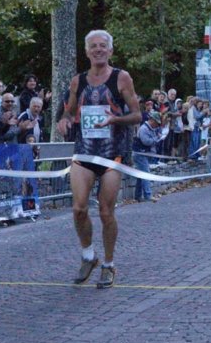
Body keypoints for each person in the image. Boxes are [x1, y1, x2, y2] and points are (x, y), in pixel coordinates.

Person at [57, 30, 141, 289]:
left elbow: (137, 115)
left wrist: (115, 119)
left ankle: (108, 263)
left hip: (111, 155)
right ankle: (88, 256)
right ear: (87, 52)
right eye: (93, 46)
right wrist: (64, 121)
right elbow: (68, 112)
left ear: (110, 50)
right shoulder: (78, 81)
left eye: (103, 46)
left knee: (106, 212)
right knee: (79, 209)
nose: (98, 50)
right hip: (84, 153)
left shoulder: (121, 78)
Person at [133, 110, 166, 201]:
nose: (157, 125)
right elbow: (146, 141)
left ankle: (138, 196)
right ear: (152, 120)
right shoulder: (144, 129)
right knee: (146, 174)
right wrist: (157, 138)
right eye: (156, 123)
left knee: (141, 175)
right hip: (140, 154)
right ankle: (148, 195)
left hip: (144, 154)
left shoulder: (150, 128)